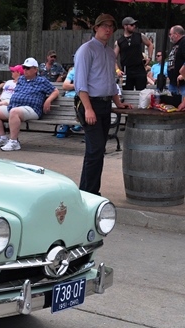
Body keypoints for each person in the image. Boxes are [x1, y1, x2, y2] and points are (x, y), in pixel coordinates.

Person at [74, 14, 132, 196]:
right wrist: (89, 108)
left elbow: (109, 81)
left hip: (105, 105)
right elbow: (80, 83)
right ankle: (87, 192)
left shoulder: (108, 52)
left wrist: (118, 102)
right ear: (96, 28)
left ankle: (90, 191)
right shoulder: (86, 50)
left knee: (98, 151)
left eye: (111, 27)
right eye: (104, 26)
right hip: (89, 103)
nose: (108, 30)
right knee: (95, 149)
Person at [0, 57, 59, 151]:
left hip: (32, 109)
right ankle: (2, 138)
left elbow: (55, 91)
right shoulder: (21, 79)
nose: (25, 70)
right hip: (15, 106)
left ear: (35, 69)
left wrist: (48, 100)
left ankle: (14, 142)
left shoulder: (42, 81)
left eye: (28, 68)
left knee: (14, 112)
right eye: (24, 68)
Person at [114, 16, 154, 90]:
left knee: (142, 91)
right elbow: (113, 58)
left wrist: (149, 57)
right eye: (132, 25)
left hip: (139, 68)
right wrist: (117, 70)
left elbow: (150, 44)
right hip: (126, 70)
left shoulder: (139, 36)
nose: (134, 26)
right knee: (126, 92)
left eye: (134, 24)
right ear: (125, 26)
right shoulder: (119, 41)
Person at [167, 25, 185, 98]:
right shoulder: (177, 44)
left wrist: (183, 74)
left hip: (182, 83)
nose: (169, 36)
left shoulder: (184, 42)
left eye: (170, 34)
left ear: (176, 34)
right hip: (174, 82)